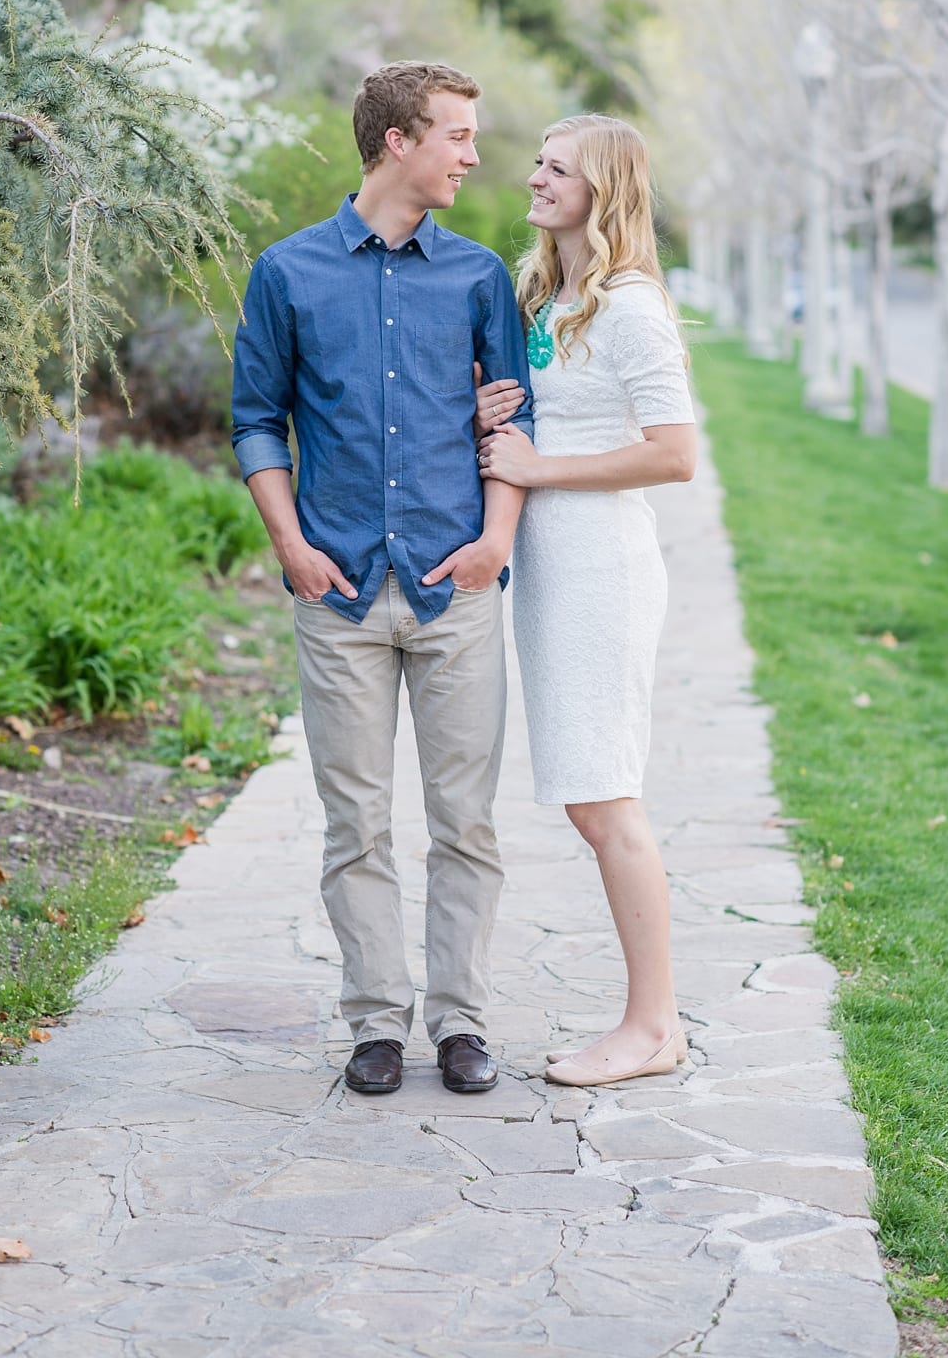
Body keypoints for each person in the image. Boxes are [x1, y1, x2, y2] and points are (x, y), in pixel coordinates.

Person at [232, 61, 534, 1099]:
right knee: (355, 821)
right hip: (342, 590)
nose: (474, 153)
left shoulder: (480, 276)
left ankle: (460, 1021)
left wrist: (497, 539)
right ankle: (374, 1021)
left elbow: (513, 420)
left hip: (458, 586)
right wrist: (292, 547)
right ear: (397, 141)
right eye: (457, 133)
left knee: (468, 821)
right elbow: (254, 420)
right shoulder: (288, 272)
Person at [471, 114, 699, 1087]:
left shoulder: (631, 306)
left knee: (606, 797)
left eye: (557, 168)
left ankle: (653, 1026)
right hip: (554, 575)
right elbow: (534, 419)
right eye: (538, 162)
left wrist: (541, 464)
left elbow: (674, 452)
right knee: (589, 795)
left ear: (603, 188)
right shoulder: (553, 291)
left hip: (602, 569)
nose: (534, 177)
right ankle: (650, 1019)